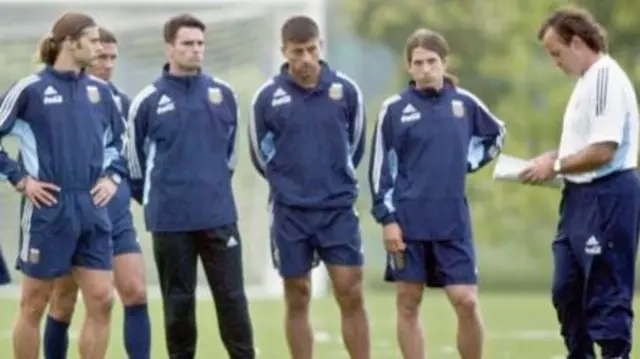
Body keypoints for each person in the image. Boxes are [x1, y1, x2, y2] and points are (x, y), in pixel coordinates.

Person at [368, 28, 506, 359]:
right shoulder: (394, 109)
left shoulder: (465, 103)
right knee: (408, 302)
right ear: (408, 66)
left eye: (432, 61)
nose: (425, 68)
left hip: (452, 221)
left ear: (444, 62)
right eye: (418, 62)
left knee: (466, 301)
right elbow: (379, 170)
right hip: (408, 223)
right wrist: (387, 220)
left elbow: (496, 134)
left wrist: (469, 161)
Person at [125, 14, 254, 359]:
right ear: (169, 48)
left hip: (218, 216)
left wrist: (208, 189)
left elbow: (229, 156)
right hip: (170, 220)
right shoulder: (147, 101)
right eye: (187, 43)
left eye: (200, 43)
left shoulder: (223, 94)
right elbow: (134, 165)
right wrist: (160, 200)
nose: (196, 50)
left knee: (232, 299)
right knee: (178, 304)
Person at [0, 12, 126, 359]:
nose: (100, 48)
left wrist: (112, 177)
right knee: (35, 303)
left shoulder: (101, 93)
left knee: (102, 299)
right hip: (48, 209)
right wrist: (20, 178)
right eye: (94, 40)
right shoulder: (31, 89)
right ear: (71, 42)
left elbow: (121, 143)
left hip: (92, 208)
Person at [521, 6, 640, 359]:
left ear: (576, 42)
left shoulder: (605, 77)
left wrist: (555, 165)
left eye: (557, 54)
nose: (556, 63)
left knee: (606, 293)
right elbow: (583, 146)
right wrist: (548, 160)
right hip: (577, 198)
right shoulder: (585, 83)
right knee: (566, 292)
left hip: (607, 196)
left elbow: (603, 150)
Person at [249, 15, 370, 359]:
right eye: (297, 51)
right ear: (284, 51)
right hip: (290, 212)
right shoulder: (267, 97)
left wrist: (332, 176)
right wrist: (289, 182)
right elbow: (260, 153)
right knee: (297, 292)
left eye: (311, 50)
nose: (305, 59)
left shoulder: (345, 91)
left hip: (337, 210)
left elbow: (356, 145)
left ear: (321, 47)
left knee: (350, 291)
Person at [43, 27, 151, 359]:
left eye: (113, 58)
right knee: (63, 302)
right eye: (101, 56)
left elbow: (132, 160)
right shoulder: (54, 96)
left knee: (134, 291)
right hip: (71, 214)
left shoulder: (125, 104)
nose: (107, 64)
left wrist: (143, 197)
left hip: (115, 214)